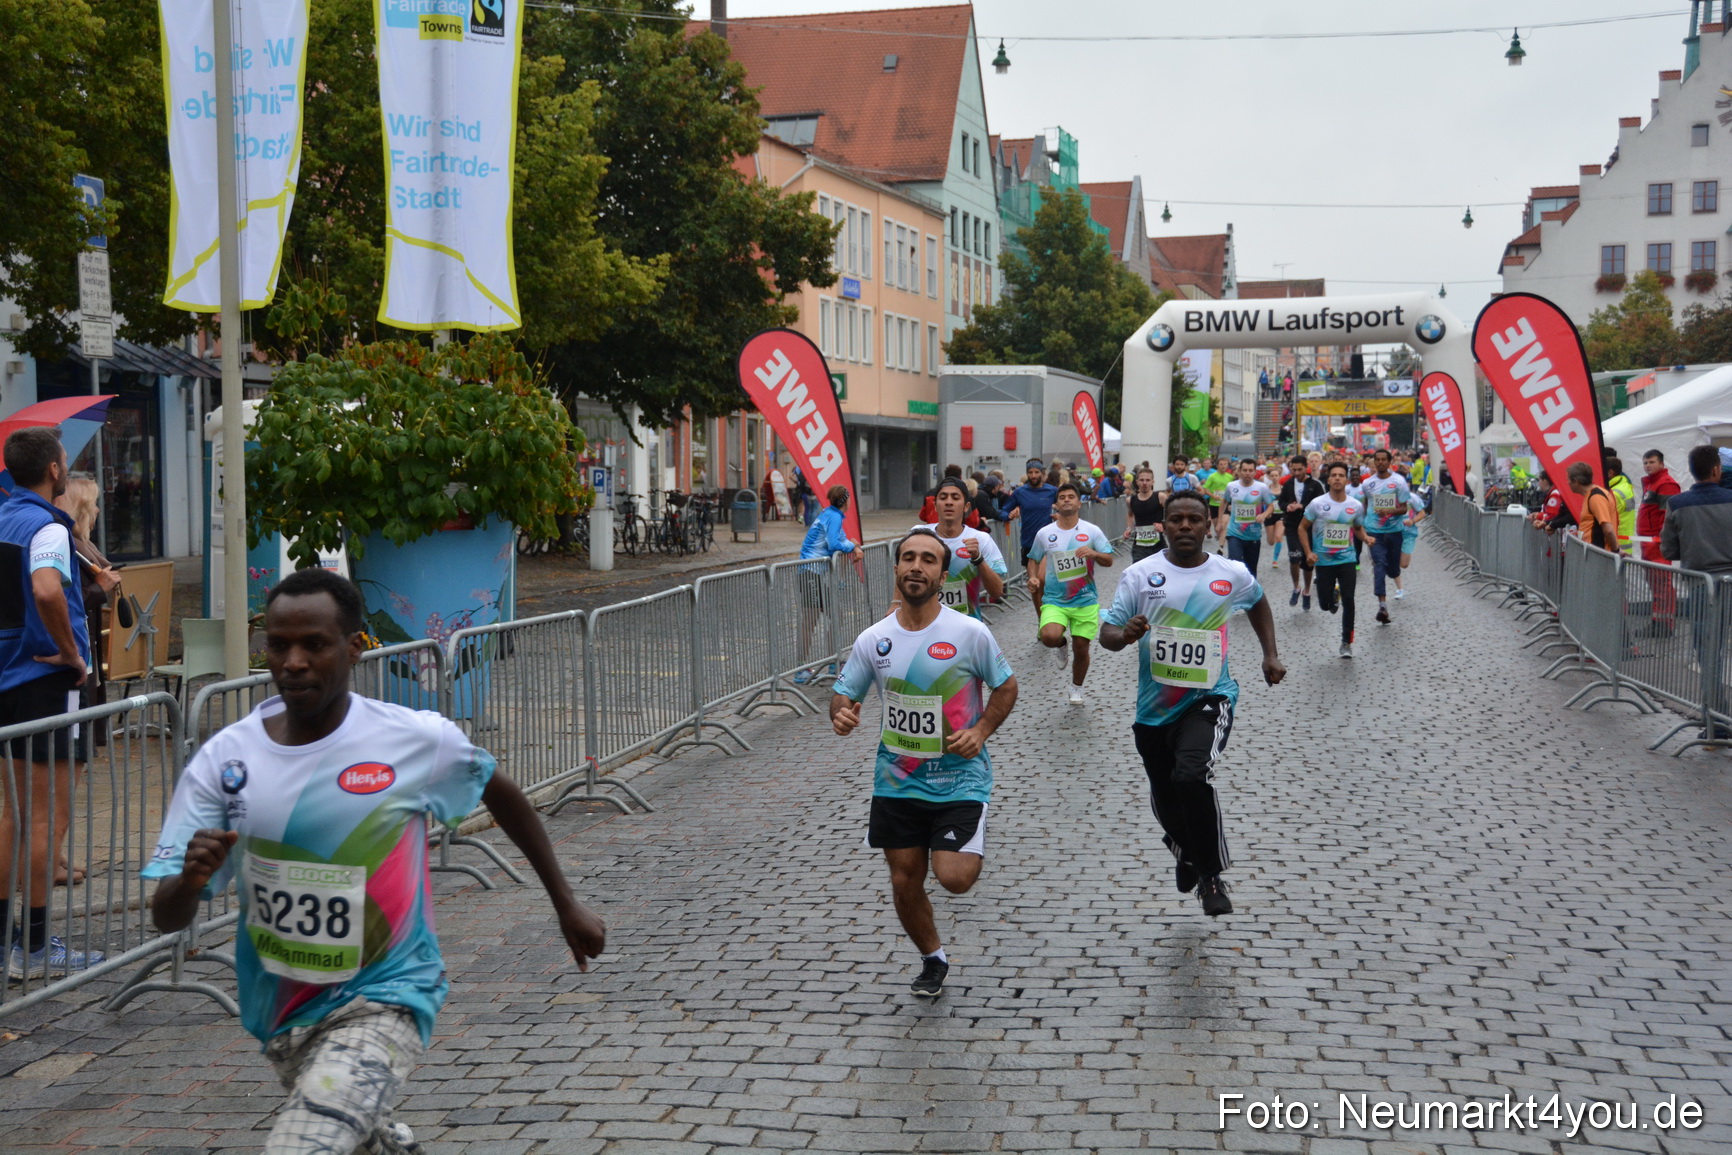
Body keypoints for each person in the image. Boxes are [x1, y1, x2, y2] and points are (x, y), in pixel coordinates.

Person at [143, 569, 607, 1153]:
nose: (293, 662)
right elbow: (166, 916)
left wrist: (565, 903)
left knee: (304, 1145)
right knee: (349, 1132)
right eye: (279, 645)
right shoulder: (226, 759)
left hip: (388, 994)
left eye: (315, 644)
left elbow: (499, 790)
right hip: (284, 1007)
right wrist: (191, 880)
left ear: (354, 648)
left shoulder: (413, 739)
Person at [831, 529, 1018, 997]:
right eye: (908, 558)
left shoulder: (969, 632)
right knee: (904, 880)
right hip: (896, 781)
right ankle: (933, 958)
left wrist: (980, 732)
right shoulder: (874, 639)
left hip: (959, 778)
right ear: (896, 568)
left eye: (928, 560)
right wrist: (842, 714)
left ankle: (971, 831)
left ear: (943, 574)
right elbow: (843, 694)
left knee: (954, 878)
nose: (917, 566)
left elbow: (1006, 686)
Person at [1099, 489, 1285, 917]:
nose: (1185, 526)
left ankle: (1210, 876)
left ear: (1207, 526)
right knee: (1165, 794)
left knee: (1191, 774)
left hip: (1210, 697)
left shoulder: (1230, 573)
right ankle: (1184, 849)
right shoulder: (1140, 575)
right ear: (1163, 525)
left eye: (1194, 519)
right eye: (1176, 519)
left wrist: (1270, 654)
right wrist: (1125, 634)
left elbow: (1258, 602)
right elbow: (1107, 635)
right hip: (1153, 710)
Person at [0, 427, 104, 979]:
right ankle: (35, 947)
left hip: (7, 678)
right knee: (46, 817)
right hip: (44, 680)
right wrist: (71, 654)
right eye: (65, 460)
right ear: (55, 471)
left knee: (13, 816)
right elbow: (45, 589)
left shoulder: (2, 518)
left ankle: (4, 944)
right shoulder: (46, 526)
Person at [1028, 482, 1113, 705]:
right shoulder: (1045, 533)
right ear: (1056, 504)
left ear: (1079, 503)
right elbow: (1033, 559)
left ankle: (1076, 688)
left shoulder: (1091, 531)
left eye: (1071, 496)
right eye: (1062, 497)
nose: (1066, 500)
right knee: (1049, 637)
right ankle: (1060, 644)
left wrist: (1094, 554)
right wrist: (1033, 577)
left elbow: (1109, 559)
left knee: (1082, 647)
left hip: (1085, 599)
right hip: (1055, 599)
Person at [1300, 462, 1370, 659]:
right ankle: (1332, 597)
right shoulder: (1317, 504)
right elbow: (1302, 528)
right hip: (1323, 560)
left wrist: (1366, 538)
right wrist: (1308, 552)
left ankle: (1346, 642)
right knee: (1324, 604)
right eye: (1334, 475)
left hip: (1347, 558)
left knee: (1349, 599)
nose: (1337, 478)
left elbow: (1358, 528)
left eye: (1341, 475)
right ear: (1328, 480)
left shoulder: (1355, 506)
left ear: (1346, 480)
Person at [919, 477, 1008, 619]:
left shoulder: (981, 539)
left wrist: (978, 559)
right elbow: (902, 573)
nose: (949, 502)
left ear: (966, 506)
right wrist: (896, 602)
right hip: (925, 623)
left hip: (966, 623)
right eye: (943, 497)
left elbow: (997, 591)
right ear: (935, 505)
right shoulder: (919, 535)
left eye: (955, 498)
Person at [795, 485, 857, 682]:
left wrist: (851, 544)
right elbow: (834, 544)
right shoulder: (834, 516)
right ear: (846, 500)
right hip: (810, 573)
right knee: (809, 621)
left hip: (816, 574)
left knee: (836, 615)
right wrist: (852, 546)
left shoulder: (831, 514)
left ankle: (833, 662)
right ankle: (800, 669)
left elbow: (841, 539)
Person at [1358, 448, 1412, 626]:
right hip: (1374, 531)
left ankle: (1393, 573)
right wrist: (1361, 524)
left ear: (1390, 462)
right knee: (1379, 564)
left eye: (1383, 460)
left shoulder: (1398, 482)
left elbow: (1404, 508)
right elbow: (1366, 505)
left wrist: (1389, 511)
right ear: (1374, 462)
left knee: (1393, 570)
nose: (1380, 462)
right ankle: (1382, 605)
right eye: (1377, 460)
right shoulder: (1367, 484)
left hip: (1394, 531)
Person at [1660, 445, 1732, 574]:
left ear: (1691, 470)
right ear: (1715, 470)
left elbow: (1668, 551)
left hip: (1696, 577)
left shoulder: (1676, 504)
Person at [998, 458, 1059, 604]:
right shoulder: (1020, 492)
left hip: (1048, 542)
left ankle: (1050, 610)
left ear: (1042, 473)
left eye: (1036, 472)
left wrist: (1060, 515)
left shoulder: (1052, 491)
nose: (1033, 475)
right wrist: (1008, 515)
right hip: (1029, 543)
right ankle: (1040, 615)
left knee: (1044, 580)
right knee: (1034, 584)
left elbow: (1066, 506)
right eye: (1030, 472)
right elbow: (1003, 510)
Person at [1636, 449, 1682, 636]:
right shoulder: (1653, 484)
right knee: (1657, 583)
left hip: (1657, 544)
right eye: (1645, 462)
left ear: (1661, 463)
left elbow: (1667, 518)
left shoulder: (1665, 484)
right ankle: (1659, 622)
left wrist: (1662, 541)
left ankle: (1663, 625)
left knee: (1661, 584)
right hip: (1650, 543)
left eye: (1652, 462)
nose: (1648, 465)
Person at [1274, 455, 1324, 610]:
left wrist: (1302, 506)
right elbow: (1281, 502)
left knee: (1308, 561)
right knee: (1294, 557)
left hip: (1310, 527)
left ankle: (1307, 591)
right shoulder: (1288, 484)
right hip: (1292, 526)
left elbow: (1321, 504)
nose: (1296, 473)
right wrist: (1287, 506)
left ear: (1305, 467)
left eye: (1299, 469)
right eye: (1293, 470)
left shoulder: (1315, 485)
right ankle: (1296, 587)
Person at [1217, 458, 1274, 573]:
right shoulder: (1231, 486)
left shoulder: (1262, 487)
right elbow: (1224, 502)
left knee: (1251, 570)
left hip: (1253, 534)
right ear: (1239, 471)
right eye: (1245, 470)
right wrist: (1219, 522)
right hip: (1234, 533)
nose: (1247, 473)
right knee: (1235, 566)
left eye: (1250, 470)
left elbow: (1271, 506)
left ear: (1255, 472)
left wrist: (1264, 514)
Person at [1551, 462, 1619, 551]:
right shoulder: (1593, 495)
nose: (1567, 483)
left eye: (1568, 480)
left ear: (1576, 481)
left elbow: (1608, 530)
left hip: (1597, 553)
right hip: (1595, 552)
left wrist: (1616, 550)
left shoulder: (1596, 497)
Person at [1124, 466, 1165, 562]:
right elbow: (1130, 515)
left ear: (1152, 482)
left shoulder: (1160, 497)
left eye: (1148, 480)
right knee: (1139, 569)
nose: (1144, 483)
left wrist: (1163, 525)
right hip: (1139, 546)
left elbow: (1171, 515)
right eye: (1142, 480)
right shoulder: (1130, 500)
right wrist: (1129, 528)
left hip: (1158, 545)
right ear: (1137, 482)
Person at [1394, 484, 1428, 596]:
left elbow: (1422, 513)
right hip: (1393, 531)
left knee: (1404, 564)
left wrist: (1412, 521)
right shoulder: (1388, 496)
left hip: (1408, 533)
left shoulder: (1412, 497)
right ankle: (1400, 588)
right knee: (1392, 563)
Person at [1604, 456, 1637, 556]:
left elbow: (1605, 519)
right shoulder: (1624, 485)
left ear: (1610, 473)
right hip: (1623, 543)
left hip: (1615, 546)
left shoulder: (1615, 493)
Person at [1201, 457, 1232, 546]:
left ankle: (1221, 547)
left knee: (1223, 525)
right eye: (1221, 464)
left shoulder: (1230, 477)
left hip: (1226, 504)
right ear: (1217, 466)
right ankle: (1219, 536)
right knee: (1217, 528)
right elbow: (1205, 490)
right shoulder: (1212, 476)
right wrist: (1213, 496)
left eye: (1225, 464)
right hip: (1214, 504)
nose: (1223, 466)